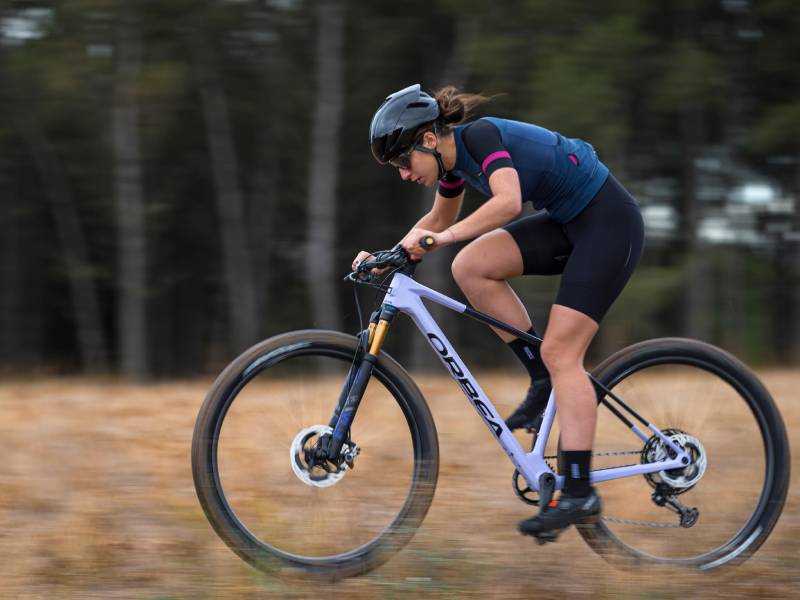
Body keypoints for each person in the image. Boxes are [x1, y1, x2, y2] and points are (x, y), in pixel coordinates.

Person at [354, 83, 644, 538]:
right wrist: (389, 254)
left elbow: (506, 202)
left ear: (428, 139)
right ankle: (543, 378)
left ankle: (579, 491)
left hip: (608, 223)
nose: (404, 175)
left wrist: (440, 241)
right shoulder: (451, 167)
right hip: (570, 222)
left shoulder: (482, 137)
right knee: (472, 267)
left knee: (564, 353)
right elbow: (437, 221)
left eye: (403, 162)